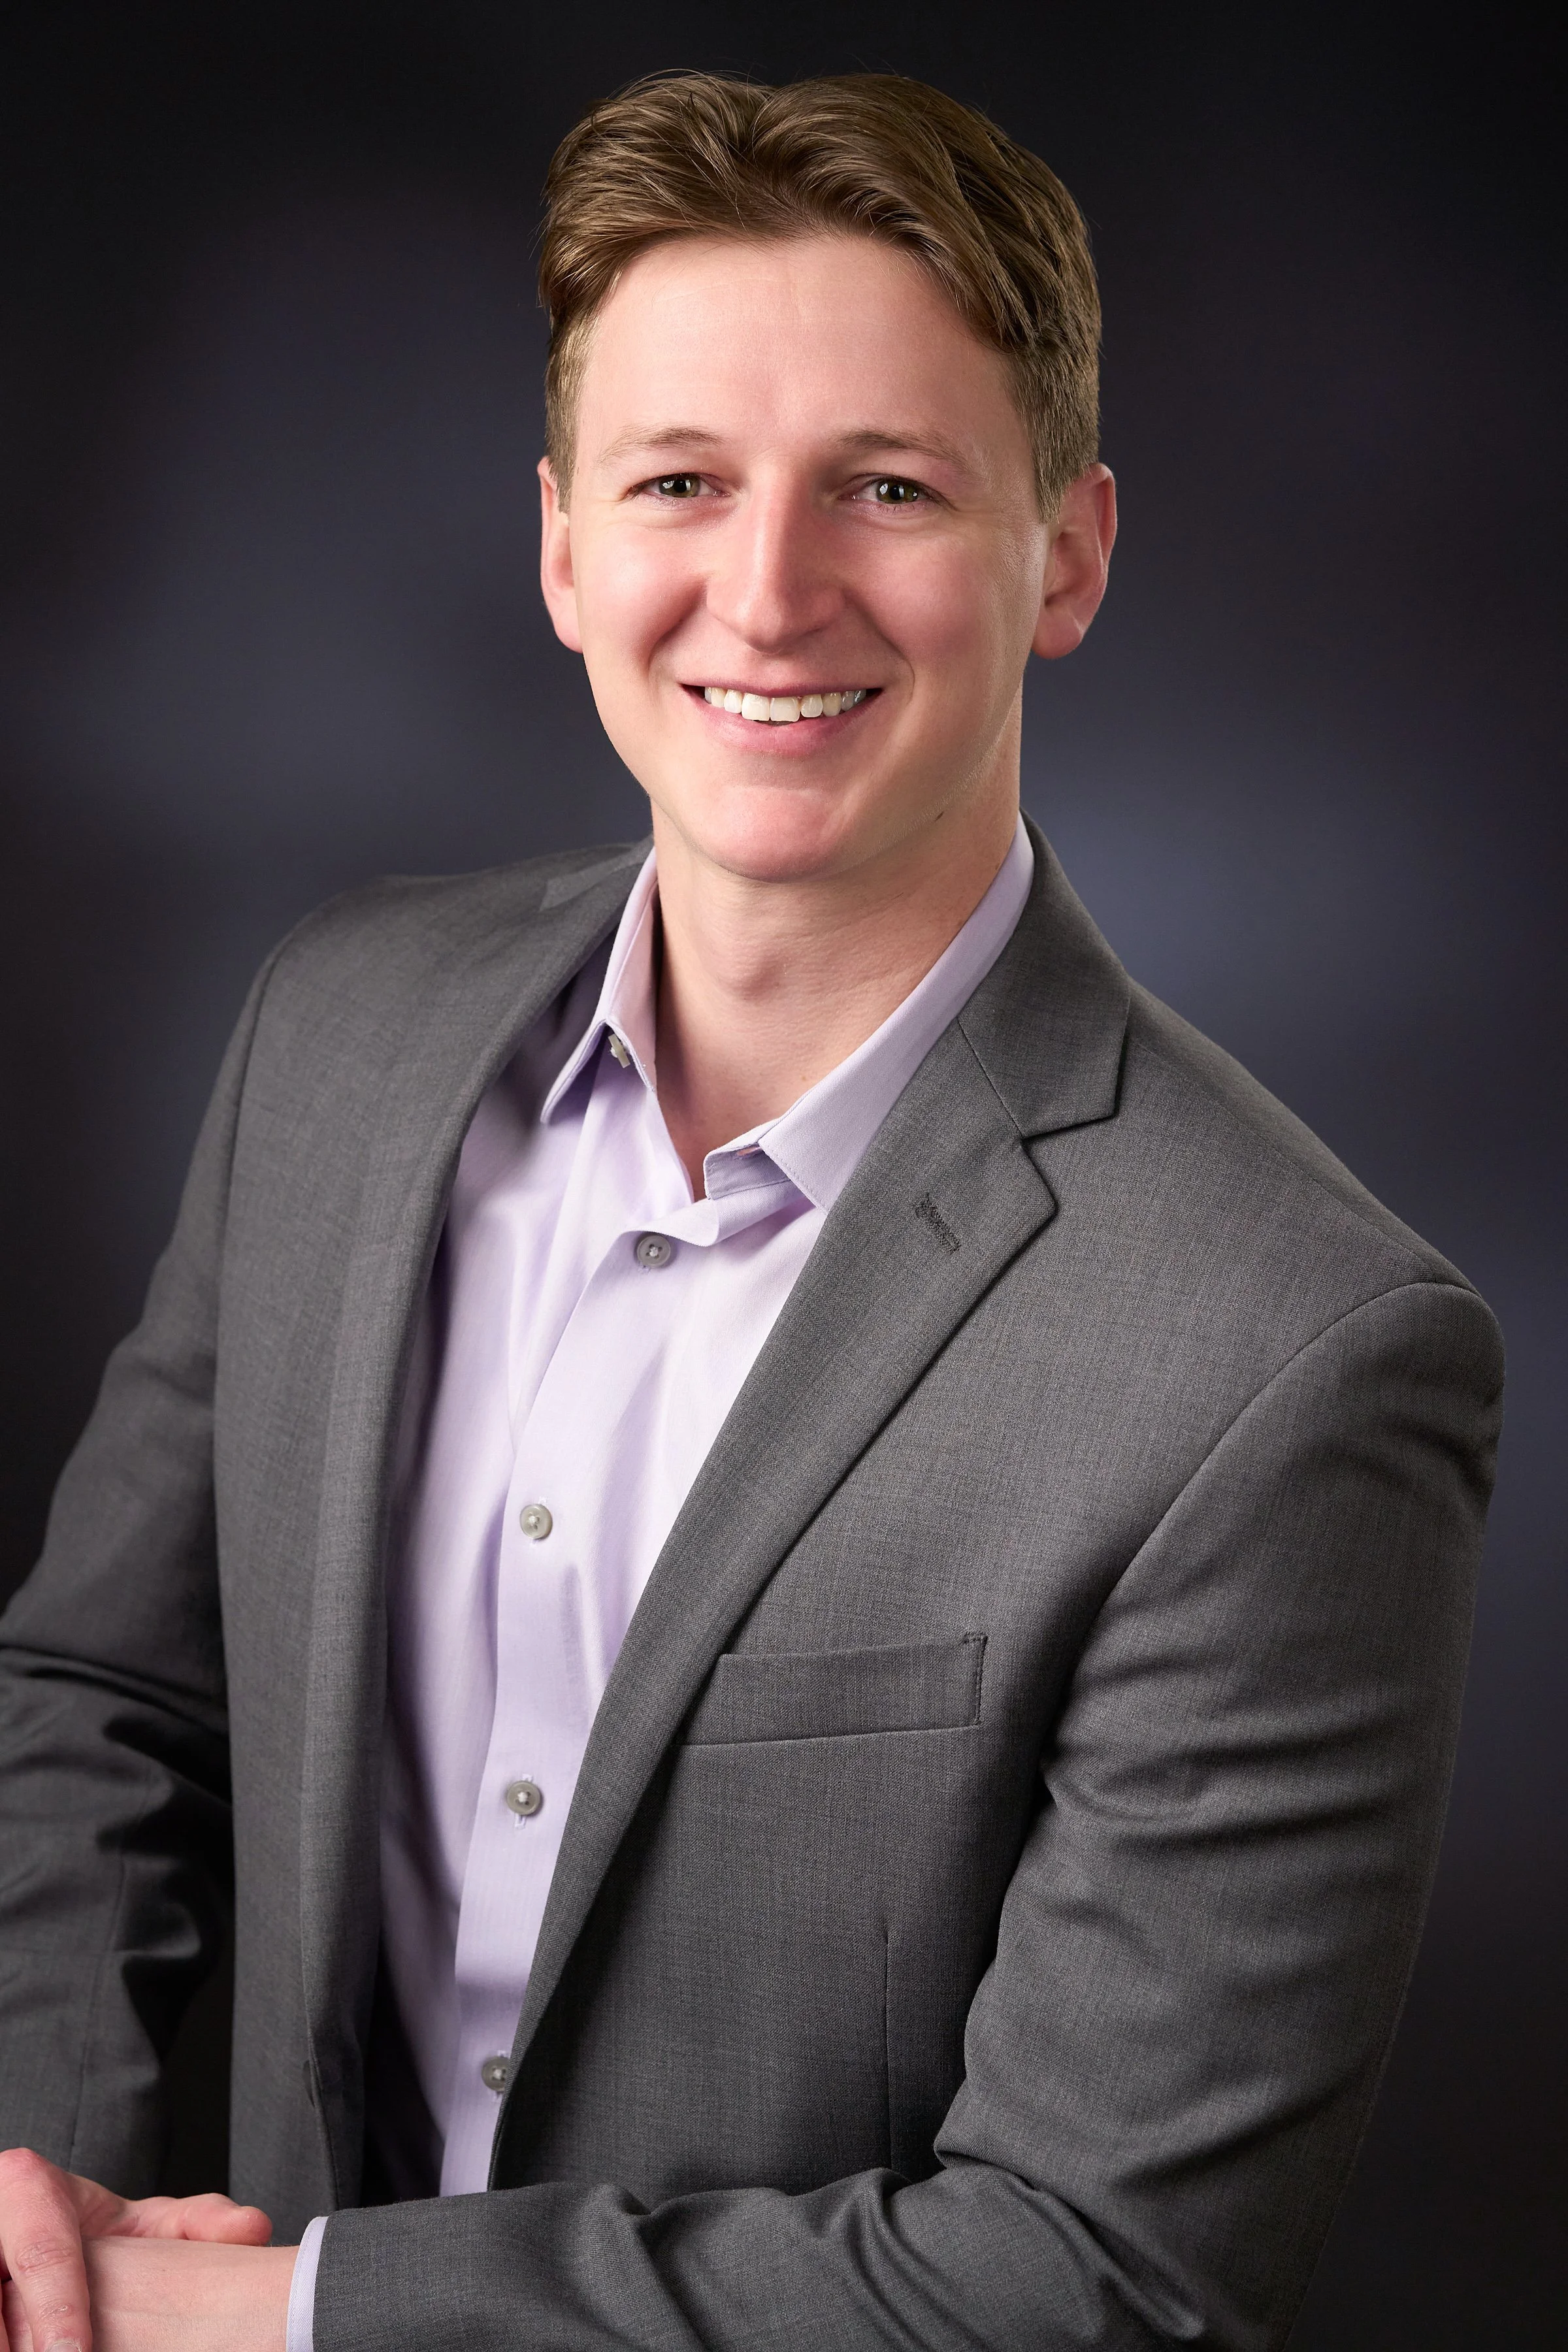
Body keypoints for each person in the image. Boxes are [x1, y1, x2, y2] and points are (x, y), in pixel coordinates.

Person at [0, 69, 1501, 2352]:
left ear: (1070, 552)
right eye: (681, 482)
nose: (769, 590)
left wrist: (261, 2322)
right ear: (563, 544)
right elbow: (106, 1697)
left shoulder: (1296, 1353)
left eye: (888, 488)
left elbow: (1093, 2285)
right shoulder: (339, 1032)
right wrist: (42, 2216)